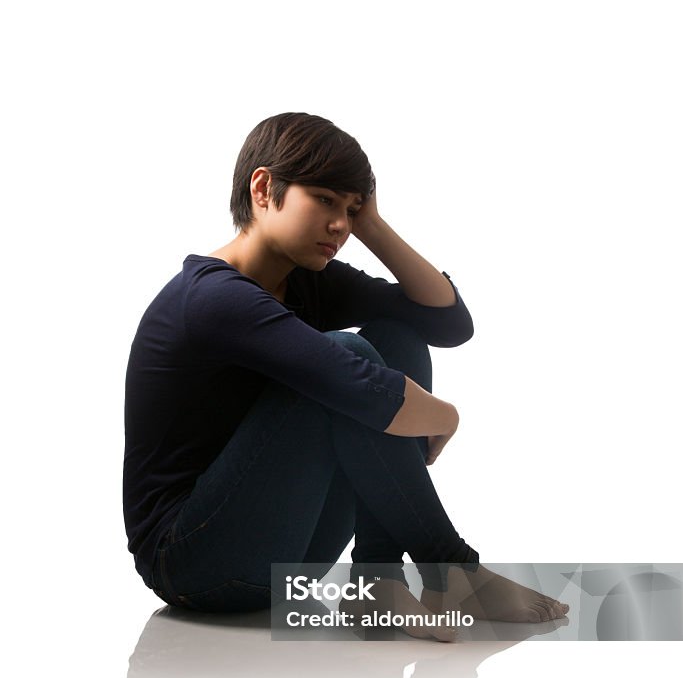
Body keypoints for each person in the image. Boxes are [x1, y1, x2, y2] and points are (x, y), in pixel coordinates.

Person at [123, 112, 568, 639]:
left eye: (351, 209)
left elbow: (448, 323)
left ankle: (377, 580)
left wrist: (373, 224)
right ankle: (450, 566)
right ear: (264, 188)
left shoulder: (307, 280)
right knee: (344, 357)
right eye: (326, 201)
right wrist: (446, 414)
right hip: (196, 562)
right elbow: (364, 389)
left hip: (293, 556)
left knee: (395, 335)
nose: (342, 225)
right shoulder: (212, 297)